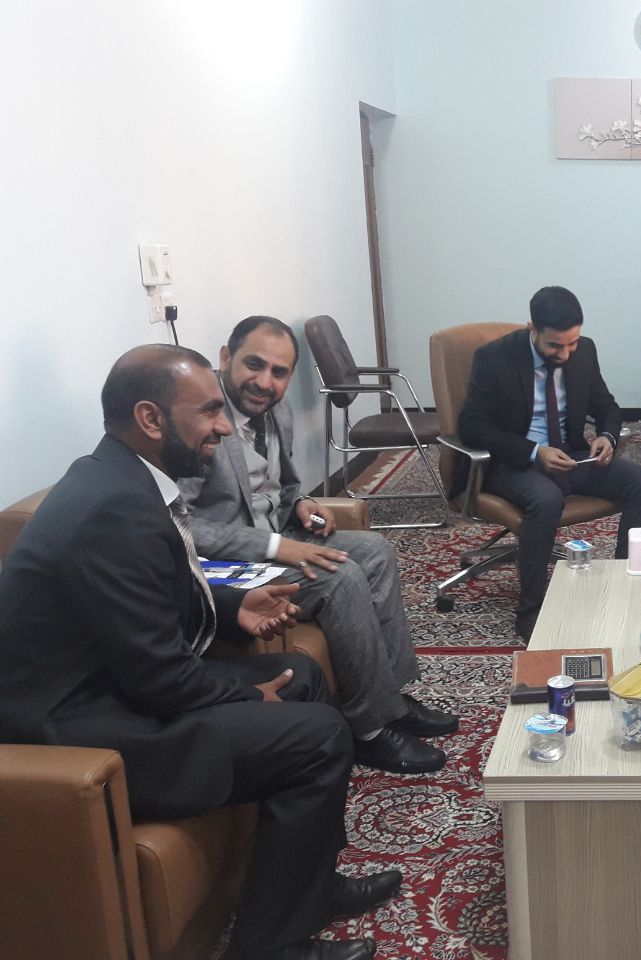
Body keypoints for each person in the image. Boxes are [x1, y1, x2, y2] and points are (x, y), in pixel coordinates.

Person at [0, 344, 394, 960]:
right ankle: (269, 946)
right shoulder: (112, 509)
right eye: (209, 411)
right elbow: (160, 678)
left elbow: (149, 597)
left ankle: (310, 885)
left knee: (303, 675)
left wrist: (233, 608)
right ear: (150, 418)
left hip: (116, 689)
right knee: (318, 736)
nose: (224, 426)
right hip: (83, 729)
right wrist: (244, 694)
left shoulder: (117, 477)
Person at [179, 315, 457, 775]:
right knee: (339, 576)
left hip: (278, 536)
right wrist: (275, 546)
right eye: (253, 364)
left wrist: (304, 503)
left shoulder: (276, 410)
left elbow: (286, 486)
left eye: (279, 372)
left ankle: (390, 699)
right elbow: (182, 525)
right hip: (228, 565)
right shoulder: (201, 420)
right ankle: (369, 730)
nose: (264, 382)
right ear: (226, 358)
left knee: (375, 551)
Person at [457, 286, 641, 640]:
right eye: (555, 346)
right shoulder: (495, 358)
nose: (565, 354)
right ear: (532, 328)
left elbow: (607, 406)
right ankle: (531, 611)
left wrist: (607, 436)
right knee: (546, 499)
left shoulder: (585, 351)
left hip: (570, 455)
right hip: (512, 462)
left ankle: (624, 586)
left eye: (572, 343)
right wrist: (534, 452)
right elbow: (472, 426)